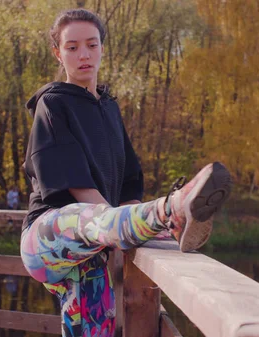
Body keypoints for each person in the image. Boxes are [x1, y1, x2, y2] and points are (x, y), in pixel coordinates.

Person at [20, 8, 232, 337]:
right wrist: (124, 231)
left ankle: (168, 224)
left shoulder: (109, 107)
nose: (83, 55)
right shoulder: (53, 103)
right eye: (72, 47)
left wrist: (127, 231)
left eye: (91, 45)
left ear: (103, 47)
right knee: (89, 217)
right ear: (57, 53)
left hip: (91, 255)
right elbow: (79, 189)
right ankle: (171, 211)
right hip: (51, 236)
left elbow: (129, 183)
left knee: (95, 329)